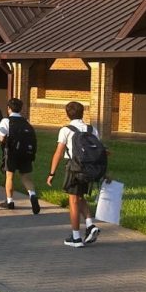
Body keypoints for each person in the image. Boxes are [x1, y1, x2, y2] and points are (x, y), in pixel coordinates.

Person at [46, 101, 102, 247]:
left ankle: (76, 237)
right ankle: (90, 225)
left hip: (74, 168)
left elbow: (59, 152)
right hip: (89, 168)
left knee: (73, 201)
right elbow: (100, 151)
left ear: (67, 114)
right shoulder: (92, 129)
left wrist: (52, 173)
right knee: (80, 197)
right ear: (83, 113)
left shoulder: (66, 130)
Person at [0, 98, 40, 213]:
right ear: (21, 109)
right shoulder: (26, 122)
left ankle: (9, 201)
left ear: (9, 108)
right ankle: (32, 195)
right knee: (26, 177)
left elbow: (1, 138)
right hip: (26, 153)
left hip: (12, 153)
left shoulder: (6, 121)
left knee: (9, 177)